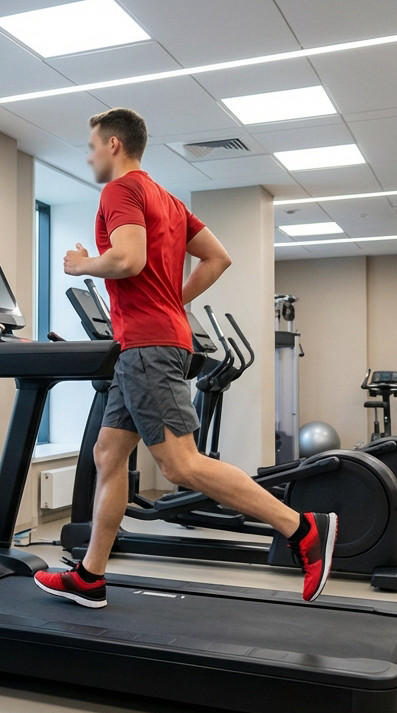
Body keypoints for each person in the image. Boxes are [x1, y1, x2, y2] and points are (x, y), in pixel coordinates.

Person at [33, 107, 336, 609]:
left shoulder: (121, 191)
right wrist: (174, 301)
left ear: (113, 144)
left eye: (91, 145)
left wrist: (80, 264)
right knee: (109, 455)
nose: (88, 155)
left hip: (149, 347)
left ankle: (302, 528)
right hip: (150, 341)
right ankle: (90, 574)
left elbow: (128, 260)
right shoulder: (168, 200)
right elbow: (218, 257)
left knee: (180, 465)